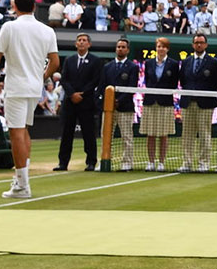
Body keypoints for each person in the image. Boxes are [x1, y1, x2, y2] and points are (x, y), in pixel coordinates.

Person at [0, 0, 59, 198]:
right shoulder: (47, 30)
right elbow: (55, 63)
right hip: (33, 88)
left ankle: (23, 186)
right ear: (34, 7)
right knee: (23, 132)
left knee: (16, 134)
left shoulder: (9, 27)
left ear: (15, 7)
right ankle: (20, 180)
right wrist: (41, 77)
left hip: (16, 87)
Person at [55, 33, 102, 172]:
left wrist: (82, 94)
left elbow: (96, 80)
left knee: (89, 134)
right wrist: (72, 94)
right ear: (76, 44)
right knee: (66, 134)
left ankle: (91, 162)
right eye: (79, 40)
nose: (81, 42)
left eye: (84, 40)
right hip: (70, 103)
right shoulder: (69, 60)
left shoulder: (95, 61)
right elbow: (64, 79)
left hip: (86, 103)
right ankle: (63, 163)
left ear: (89, 44)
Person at [178, 32, 217, 173]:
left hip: (205, 104)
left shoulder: (214, 62)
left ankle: (204, 163)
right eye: (196, 42)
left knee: (204, 134)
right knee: (187, 135)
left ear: (206, 45)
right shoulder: (186, 62)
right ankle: (187, 162)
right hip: (188, 103)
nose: (199, 45)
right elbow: (183, 81)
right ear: (193, 45)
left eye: (201, 42)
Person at [141, 36, 180, 172]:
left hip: (165, 103)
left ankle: (161, 162)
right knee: (150, 134)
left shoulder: (174, 64)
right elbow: (147, 81)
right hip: (150, 102)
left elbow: (174, 83)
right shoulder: (148, 63)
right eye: (158, 46)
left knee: (163, 135)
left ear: (167, 49)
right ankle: (151, 162)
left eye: (163, 46)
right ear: (156, 48)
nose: (161, 49)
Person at [102, 37, 140, 170]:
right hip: (108, 109)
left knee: (126, 137)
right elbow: (103, 86)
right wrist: (108, 102)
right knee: (106, 136)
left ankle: (127, 162)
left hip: (125, 107)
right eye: (119, 47)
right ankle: (105, 160)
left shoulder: (133, 67)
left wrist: (118, 101)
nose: (120, 49)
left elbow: (132, 88)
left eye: (123, 47)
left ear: (128, 50)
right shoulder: (107, 66)